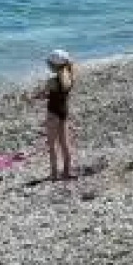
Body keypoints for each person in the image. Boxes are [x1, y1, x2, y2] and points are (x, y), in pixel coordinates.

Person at [29, 50, 78, 182]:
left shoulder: (52, 81)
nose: (48, 66)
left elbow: (43, 95)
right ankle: (67, 171)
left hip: (53, 114)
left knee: (51, 145)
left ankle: (54, 173)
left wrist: (30, 97)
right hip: (63, 112)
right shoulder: (70, 78)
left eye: (49, 64)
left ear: (54, 66)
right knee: (64, 143)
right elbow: (56, 93)